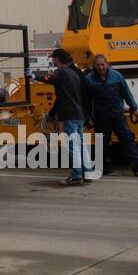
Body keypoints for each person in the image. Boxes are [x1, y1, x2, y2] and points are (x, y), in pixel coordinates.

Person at [84, 54, 138, 177]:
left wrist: (134, 107)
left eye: (102, 64)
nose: (101, 67)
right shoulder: (89, 80)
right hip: (101, 117)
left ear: (107, 64)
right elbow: (86, 100)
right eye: (98, 65)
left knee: (127, 139)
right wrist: (87, 116)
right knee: (101, 143)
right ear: (94, 66)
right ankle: (103, 168)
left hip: (117, 115)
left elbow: (126, 93)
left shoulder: (117, 76)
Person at [49, 48, 93, 185]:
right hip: (80, 113)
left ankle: (76, 175)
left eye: (53, 58)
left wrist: (33, 76)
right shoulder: (76, 73)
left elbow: (50, 79)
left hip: (70, 114)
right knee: (81, 144)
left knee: (72, 145)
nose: (52, 61)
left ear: (57, 58)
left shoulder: (62, 72)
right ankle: (87, 172)